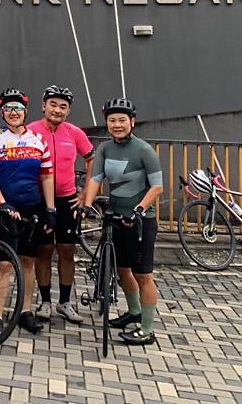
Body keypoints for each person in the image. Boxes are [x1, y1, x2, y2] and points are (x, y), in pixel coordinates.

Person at [82, 98, 163, 346]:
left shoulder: (144, 150)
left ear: (132, 122)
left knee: (143, 275)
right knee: (122, 269)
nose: (117, 125)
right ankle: (134, 312)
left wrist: (139, 209)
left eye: (122, 120)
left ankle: (147, 330)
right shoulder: (105, 149)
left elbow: (157, 186)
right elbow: (95, 179)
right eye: (112, 120)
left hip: (140, 221)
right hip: (115, 219)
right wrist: (86, 205)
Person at [0, 88, 56, 337]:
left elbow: (46, 176)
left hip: (31, 207)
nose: (13, 113)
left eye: (18, 108)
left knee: (27, 262)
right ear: (2, 112)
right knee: (3, 265)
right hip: (5, 208)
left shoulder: (38, 139)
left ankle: (25, 311)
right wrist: (2, 203)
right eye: (8, 109)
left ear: (25, 111)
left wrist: (50, 208)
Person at [29, 85, 94, 324]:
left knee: (67, 250)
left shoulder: (74, 133)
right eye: (53, 104)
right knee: (43, 250)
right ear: (43, 105)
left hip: (67, 199)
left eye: (63, 106)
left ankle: (64, 302)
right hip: (39, 200)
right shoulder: (30, 131)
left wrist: (86, 191)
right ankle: (45, 301)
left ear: (68, 110)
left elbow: (92, 159)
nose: (57, 110)